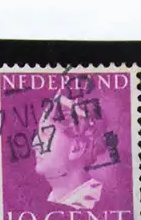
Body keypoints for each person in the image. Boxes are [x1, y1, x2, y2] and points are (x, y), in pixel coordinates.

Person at [30, 80, 120, 210]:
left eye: (46, 133)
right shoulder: (51, 202)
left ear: (77, 147)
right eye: (37, 134)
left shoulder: (98, 205)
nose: (34, 144)